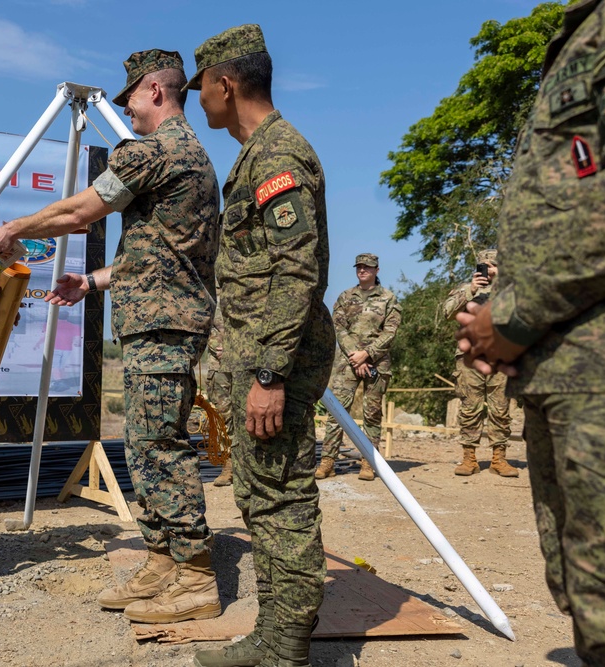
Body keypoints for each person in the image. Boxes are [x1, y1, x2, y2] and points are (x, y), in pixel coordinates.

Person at [0, 48, 222, 624]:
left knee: (159, 447)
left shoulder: (160, 150)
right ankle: (164, 558)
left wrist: (16, 225)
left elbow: (82, 211)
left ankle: (195, 575)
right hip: (158, 320)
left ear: (155, 92)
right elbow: (157, 256)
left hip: (164, 327)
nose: (130, 112)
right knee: (145, 445)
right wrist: (92, 281)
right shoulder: (186, 158)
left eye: (132, 100)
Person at [455, 1, 605, 663]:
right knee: (587, 595)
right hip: (562, 367)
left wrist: (516, 314)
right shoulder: (583, 29)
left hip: (599, 368)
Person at [185, 24, 336, 667]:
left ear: (226, 83)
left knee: (280, 498)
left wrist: (269, 373)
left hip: (275, 360)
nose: (199, 102)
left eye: (202, 90)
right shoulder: (257, 154)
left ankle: (284, 647)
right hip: (256, 355)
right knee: (260, 494)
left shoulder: (277, 156)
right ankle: (276, 634)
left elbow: (295, 270)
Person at [316, 253, 401, 482]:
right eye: (359, 267)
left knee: (372, 414)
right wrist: (356, 355)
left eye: (368, 267)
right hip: (348, 362)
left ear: (377, 270)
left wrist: (368, 354)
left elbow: (390, 332)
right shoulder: (345, 297)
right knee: (337, 411)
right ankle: (327, 462)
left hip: (377, 363)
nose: (363, 270)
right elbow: (338, 327)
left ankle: (368, 462)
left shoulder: (389, 298)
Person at [442, 249, 517, 477]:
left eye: (492, 264)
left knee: (500, 409)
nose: (487, 269)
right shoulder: (467, 289)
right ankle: (469, 459)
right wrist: (471, 289)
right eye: (483, 265)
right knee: (469, 408)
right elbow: (447, 312)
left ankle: (498, 459)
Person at [206, 305, 234, 487]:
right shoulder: (207, 287)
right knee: (222, 414)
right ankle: (228, 463)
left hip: (245, 357)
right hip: (218, 364)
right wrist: (217, 345)